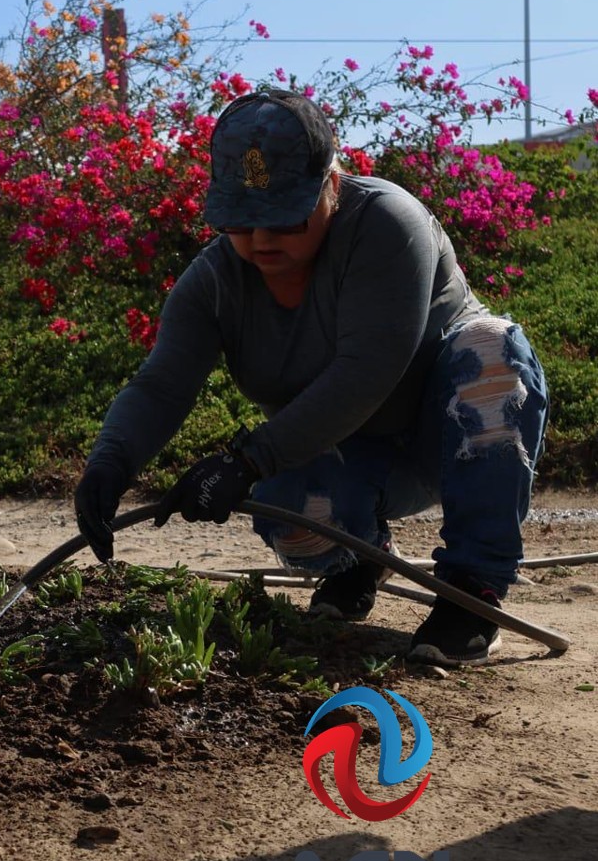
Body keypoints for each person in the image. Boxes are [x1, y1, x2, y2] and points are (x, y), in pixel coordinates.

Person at [73, 88, 547, 668]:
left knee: (490, 349)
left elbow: (366, 369)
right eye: (242, 220)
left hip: (448, 441)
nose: (262, 238)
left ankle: (473, 589)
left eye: (283, 215)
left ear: (332, 184)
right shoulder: (215, 282)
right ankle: (358, 559)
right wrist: (110, 461)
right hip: (342, 457)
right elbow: (161, 385)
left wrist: (247, 460)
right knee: (286, 507)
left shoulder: (388, 224)